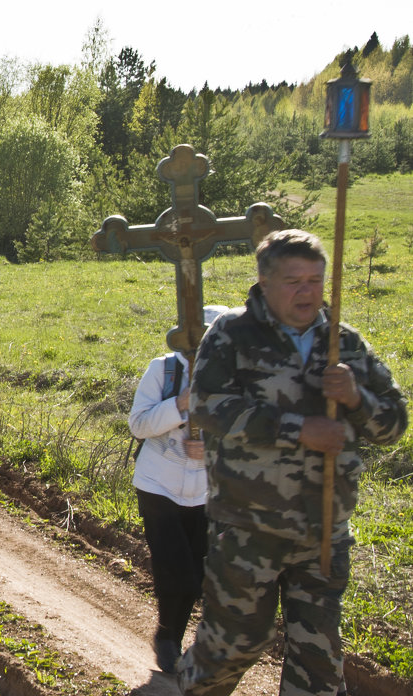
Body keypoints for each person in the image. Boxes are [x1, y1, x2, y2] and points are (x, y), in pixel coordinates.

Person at [178, 229, 407, 696]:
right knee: (233, 649)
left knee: (318, 667)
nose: (307, 292)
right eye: (293, 281)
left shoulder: (344, 343)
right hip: (248, 528)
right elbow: (206, 406)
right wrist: (297, 428)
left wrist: (355, 397)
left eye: (315, 280)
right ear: (264, 282)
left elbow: (393, 426)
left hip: (323, 529)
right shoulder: (233, 334)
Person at [128, 305, 228, 674]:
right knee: (177, 569)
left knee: (194, 573)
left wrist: (214, 447)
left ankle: (170, 635)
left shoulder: (232, 377)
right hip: (158, 485)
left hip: (203, 491)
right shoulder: (164, 369)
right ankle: (168, 640)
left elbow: (243, 432)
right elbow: (138, 424)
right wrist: (179, 405)